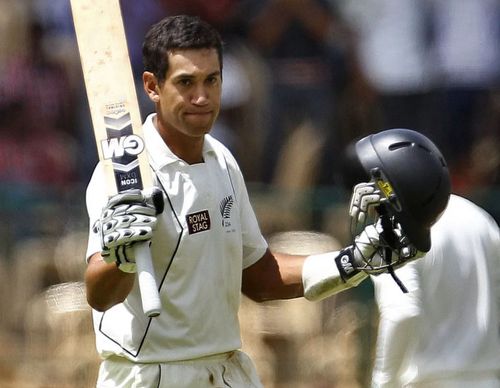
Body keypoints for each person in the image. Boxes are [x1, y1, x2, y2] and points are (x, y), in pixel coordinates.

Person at [84, 16, 443, 387]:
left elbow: (259, 277)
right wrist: (119, 258)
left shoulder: (221, 160)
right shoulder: (123, 174)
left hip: (223, 370)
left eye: (212, 80)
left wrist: (350, 262)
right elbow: (98, 294)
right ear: (152, 86)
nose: (202, 97)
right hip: (150, 374)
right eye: (185, 83)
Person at [369, 195, 500, 387]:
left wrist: (383, 383)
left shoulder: (396, 225)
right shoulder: (479, 218)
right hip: (487, 380)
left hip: (428, 382)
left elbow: (401, 313)